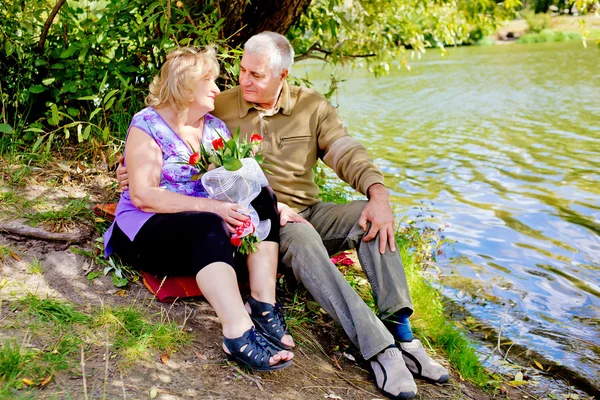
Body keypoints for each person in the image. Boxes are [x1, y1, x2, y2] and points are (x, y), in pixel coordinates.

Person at [118, 33, 449, 399]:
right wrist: (127, 170)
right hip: (265, 219)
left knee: (370, 219)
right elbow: (163, 137)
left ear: (283, 76)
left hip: (304, 210)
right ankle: (379, 349)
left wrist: (378, 192)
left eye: (256, 75)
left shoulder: (311, 107)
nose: (243, 81)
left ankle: (401, 332)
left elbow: (343, 150)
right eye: (241, 70)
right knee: (299, 234)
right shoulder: (219, 106)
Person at [105, 46, 294, 372]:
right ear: (187, 85)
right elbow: (143, 196)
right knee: (206, 222)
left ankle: (264, 305)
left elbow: (240, 186)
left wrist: (269, 207)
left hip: (204, 232)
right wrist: (215, 208)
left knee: (264, 197)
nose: (218, 90)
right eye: (210, 81)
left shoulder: (216, 130)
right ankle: (238, 332)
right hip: (149, 229)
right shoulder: (146, 125)